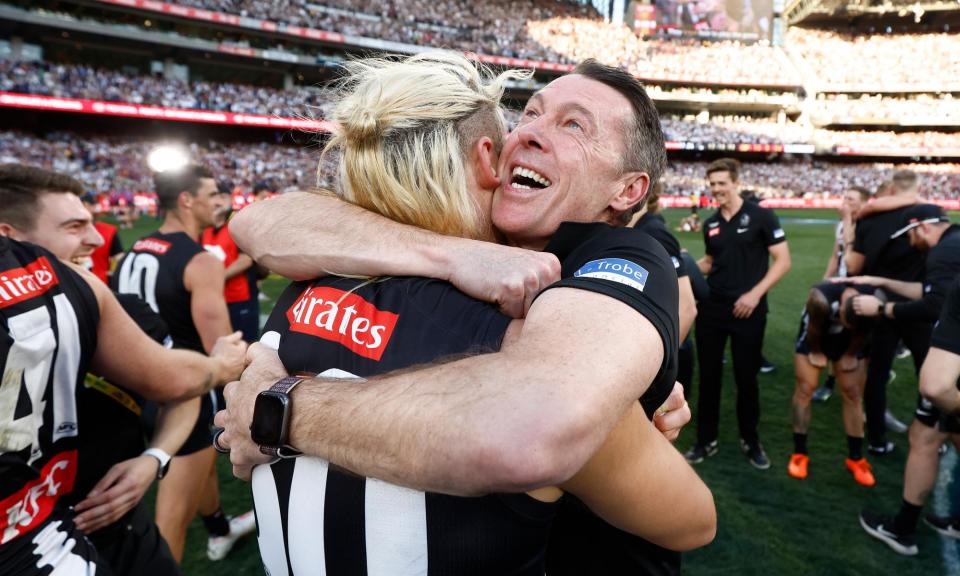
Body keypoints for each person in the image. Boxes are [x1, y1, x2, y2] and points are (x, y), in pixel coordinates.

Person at [217, 58, 714, 574]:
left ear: (628, 191)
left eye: (573, 126)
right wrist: (456, 255)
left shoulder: (624, 253)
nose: (529, 135)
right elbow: (259, 222)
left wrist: (281, 410)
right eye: (531, 114)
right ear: (485, 158)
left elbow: (540, 424)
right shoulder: (496, 322)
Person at [0, 164, 245, 575]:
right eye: (75, 226)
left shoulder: (132, 260)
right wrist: (225, 371)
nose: (96, 239)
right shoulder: (188, 264)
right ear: (11, 239)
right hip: (51, 536)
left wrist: (153, 457)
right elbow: (183, 375)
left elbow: (173, 384)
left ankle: (218, 523)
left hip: (105, 512)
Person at [113, 163, 255, 562]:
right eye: (212, 195)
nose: (220, 203)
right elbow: (222, 348)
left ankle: (219, 527)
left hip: (140, 387)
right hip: (188, 393)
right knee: (168, 524)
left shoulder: (134, 251)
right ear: (187, 200)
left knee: (201, 467)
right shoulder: (201, 260)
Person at [852, 204, 960, 555]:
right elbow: (931, 293)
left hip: (952, 370)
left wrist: (882, 309)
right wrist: (882, 282)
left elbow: (934, 306)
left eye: (911, 235)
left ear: (924, 228)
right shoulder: (954, 245)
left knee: (923, 436)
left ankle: (903, 529)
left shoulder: (943, 254)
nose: (911, 243)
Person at [684, 157, 791, 469]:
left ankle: (750, 440)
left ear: (735, 183)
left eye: (722, 183)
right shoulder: (711, 224)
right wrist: (682, 265)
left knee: (747, 379)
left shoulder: (762, 216)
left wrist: (755, 295)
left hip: (750, 310)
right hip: (712, 310)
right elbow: (710, 262)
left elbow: (783, 261)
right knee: (710, 379)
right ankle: (706, 440)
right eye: (713, 184)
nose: (716, 189)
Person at [843, 170, 926, 455]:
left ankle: (877, 438)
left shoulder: (870, 218)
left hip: (877, 304)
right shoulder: (925, 214)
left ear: (891, 188)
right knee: (927, 372)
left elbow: (853, 267)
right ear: (917, 187)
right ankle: (930, 434)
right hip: (917, 303)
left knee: (877, 374)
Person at [788, 281, 877, 486]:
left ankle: (856, 458)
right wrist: (817, 351)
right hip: (816, 335)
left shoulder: (873, 303)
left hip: (851, 340)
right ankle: (799, 453)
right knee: (805, 389)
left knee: (853, 393)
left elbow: (864, 334)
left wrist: (850, 354)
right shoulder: (821, 300)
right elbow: (813, 328)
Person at [813, 186, 871, 403]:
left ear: (864, 202)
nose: (845, 201)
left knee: (860, 339)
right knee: (832, 331)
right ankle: (830, 381)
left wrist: (847, 220)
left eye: (851, 198)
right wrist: (825, 280)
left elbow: (854, 262)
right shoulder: (840, 226)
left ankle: (865, 395)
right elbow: (835, 256)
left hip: (861, 286)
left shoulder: (867, 226)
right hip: (839, 284)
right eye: (844, 197)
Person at [201, 186, 261, 343]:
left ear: (230, 200)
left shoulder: (238, 224)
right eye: (213, 196)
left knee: (243, 345)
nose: (218, 201)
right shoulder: (204, 229)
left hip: (239, 297)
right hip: (213, 298)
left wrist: (218, 277)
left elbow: (246, 259)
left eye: (222, 196)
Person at [80, 193, 123, 284]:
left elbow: (119, 258)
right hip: (98, 283)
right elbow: (120, 259)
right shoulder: (108, 230)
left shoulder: (108, 230)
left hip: (97, 284)